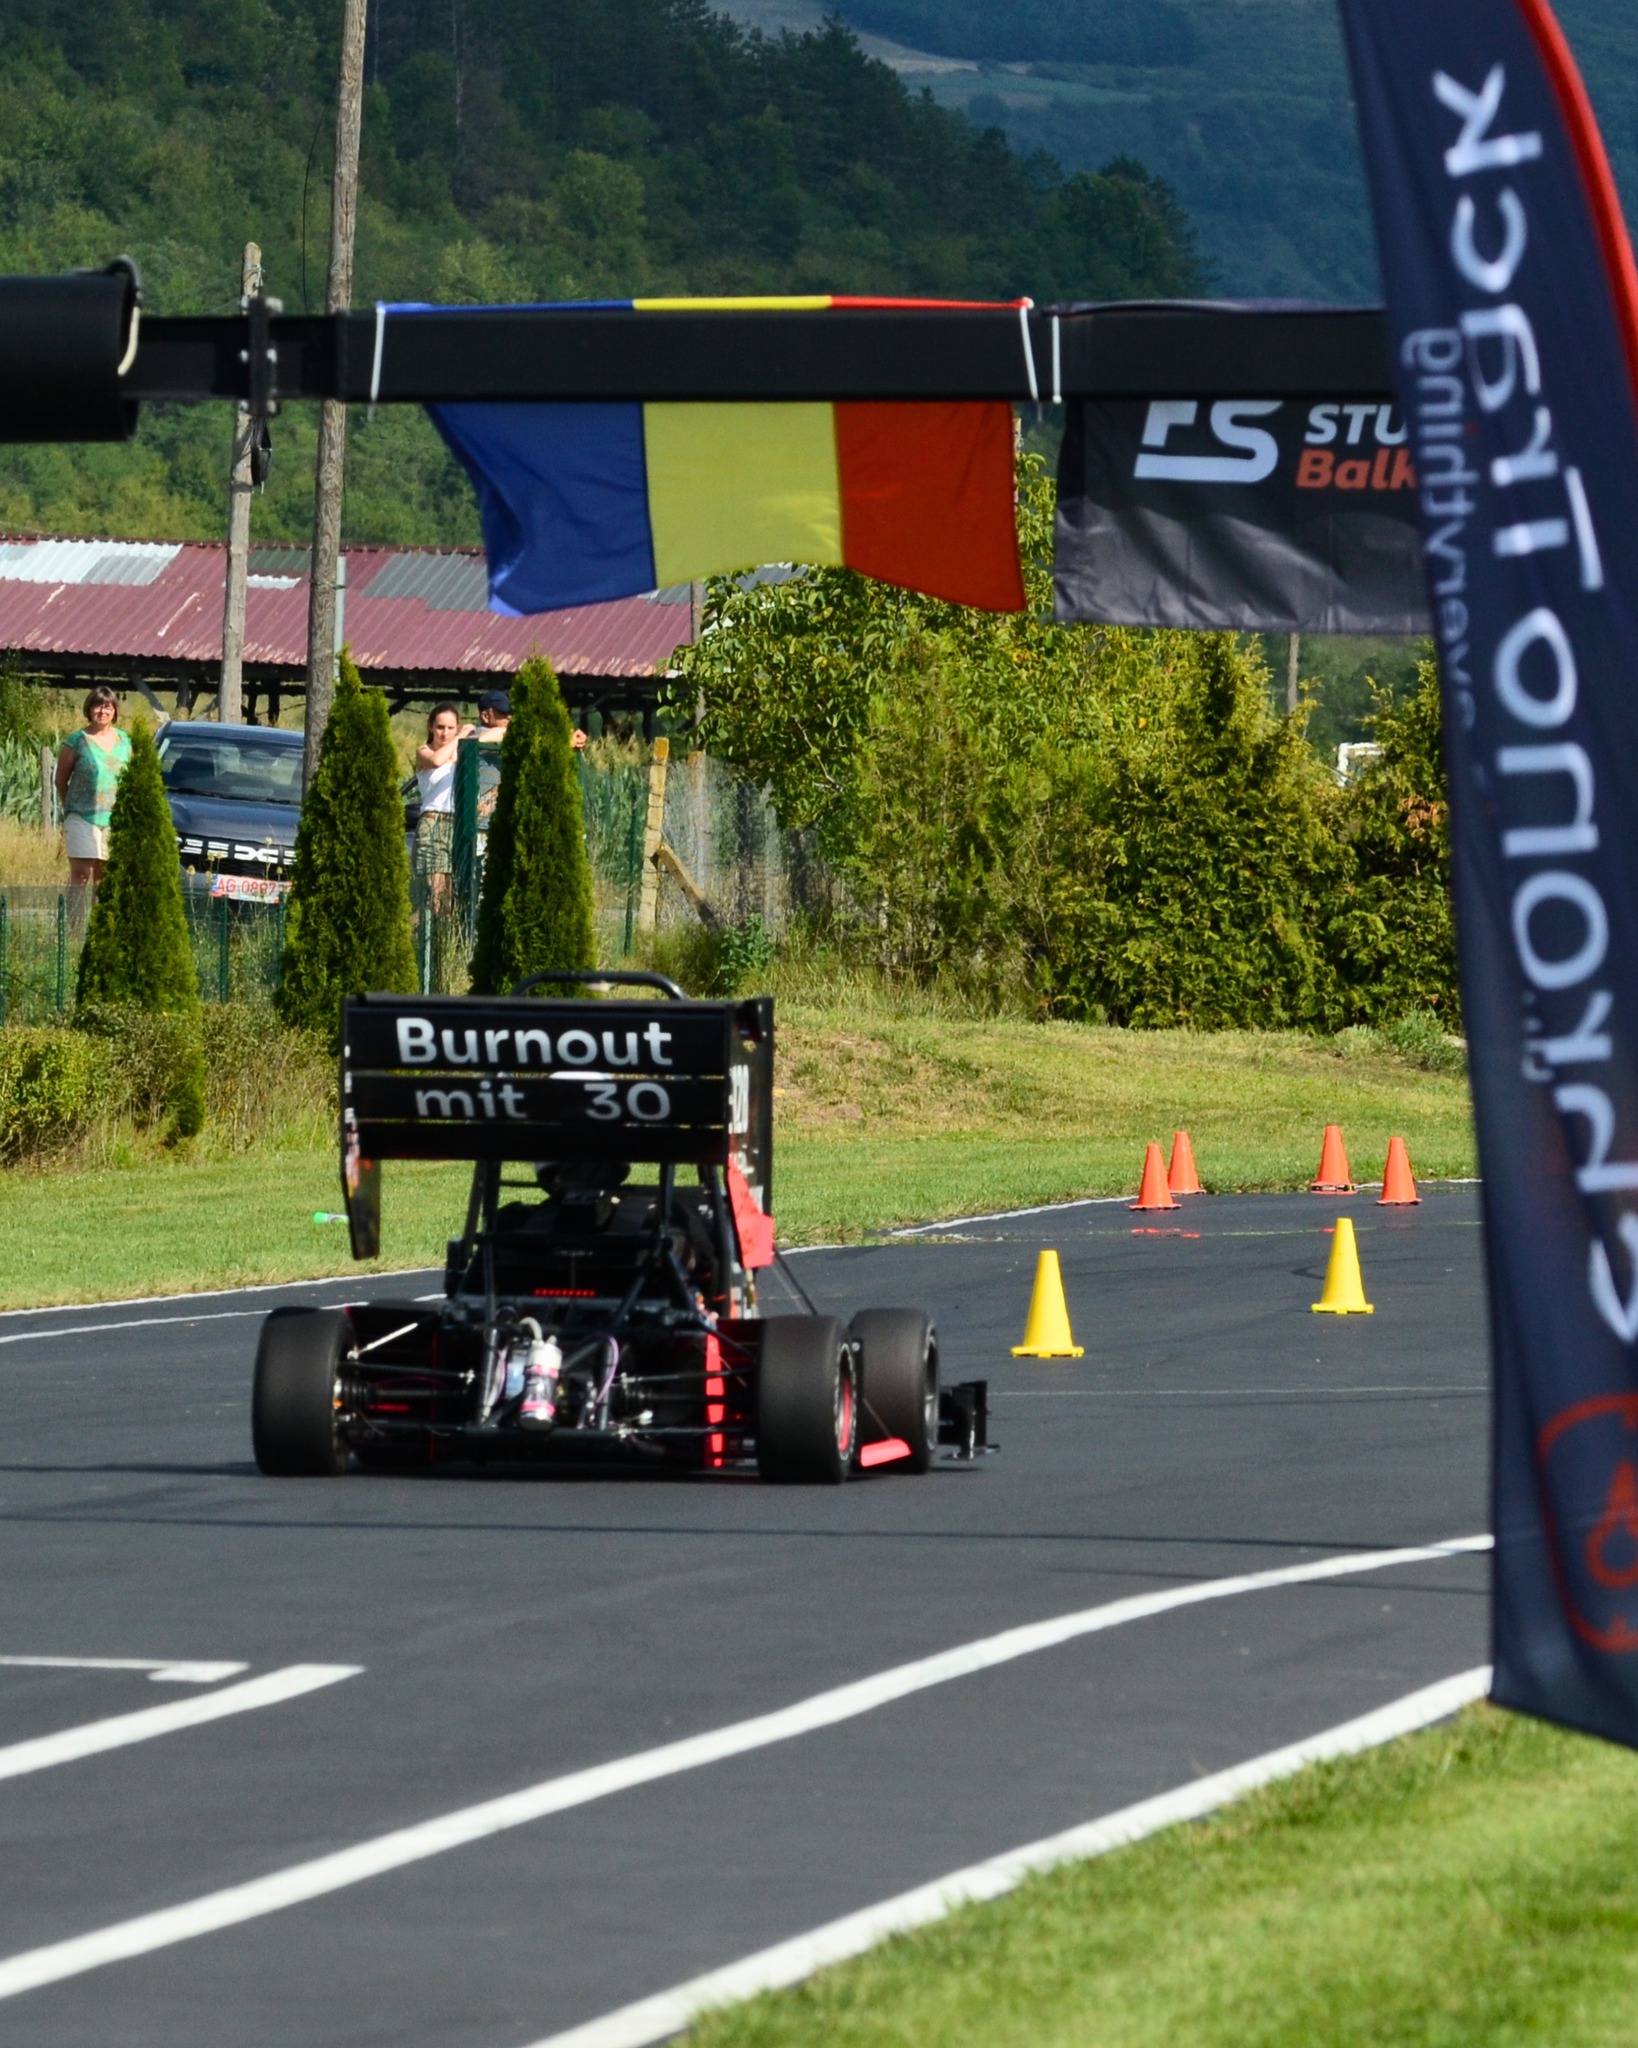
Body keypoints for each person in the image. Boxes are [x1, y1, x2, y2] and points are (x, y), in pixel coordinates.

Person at [55, 686, 132, 888]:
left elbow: (132, 777)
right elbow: (60, 780)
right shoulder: (76, 741)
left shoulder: (125, 741)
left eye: (107, 707)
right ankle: (75, 921)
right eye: (97, 706)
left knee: (104, 878)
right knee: (82, 874)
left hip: (114, 818)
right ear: (89, 709)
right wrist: (70, 807)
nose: (102, 711)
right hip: (81, 816)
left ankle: (99, 920)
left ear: (114, 711)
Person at [414, 701, 473, 908]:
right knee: (435, 894)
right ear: (431, 727)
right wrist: (460, 736)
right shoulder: (424, 751)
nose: (445, 733)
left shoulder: (460, 753)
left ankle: (446, 938)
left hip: (457, 824)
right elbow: (438, 761)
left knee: (451, 895)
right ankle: (429, 938)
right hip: (434, 822)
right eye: (440, 727)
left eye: (450, 728)